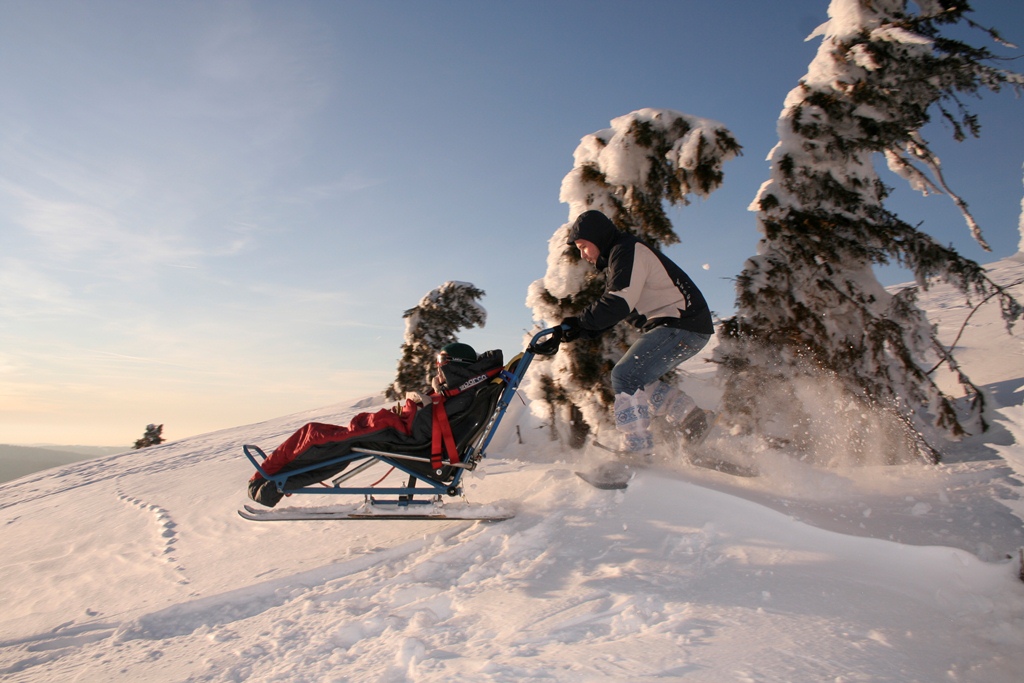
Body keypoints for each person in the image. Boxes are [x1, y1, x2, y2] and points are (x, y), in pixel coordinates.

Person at [248, 342, 499, 507]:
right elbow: (435, 417)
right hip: (405, 431)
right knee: (327, 438)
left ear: (454, 366)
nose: (438, 371)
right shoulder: (466, 388)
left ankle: (267, 482)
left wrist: (419, 405)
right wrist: (424, 400)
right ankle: (271, 480)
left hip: (405, 437)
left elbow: (424, 428)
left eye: (441, 365)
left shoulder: (464, 391)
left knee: (317, 436)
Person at [559, 209, 714, 454]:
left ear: (597, 238)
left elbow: (618, 302)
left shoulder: (627, 250)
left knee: (624, 375)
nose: (582, 254)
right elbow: (616, 310)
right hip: (687, 327)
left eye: (583, 246)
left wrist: (580, 322)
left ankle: (638, 447)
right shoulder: (619, 258)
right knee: (639, 381)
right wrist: (578, 330)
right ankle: (693, 419)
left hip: (681, 323)